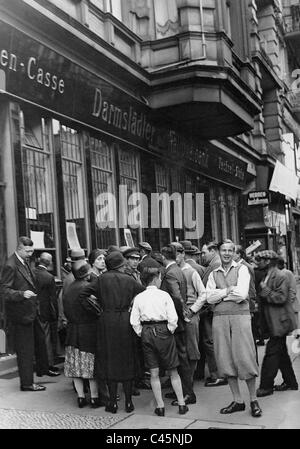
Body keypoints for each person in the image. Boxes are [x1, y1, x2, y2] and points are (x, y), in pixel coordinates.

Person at [79, 251, 144, 414]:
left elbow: (83, 294)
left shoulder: (101, 279)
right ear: (121, 264)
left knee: (109, 360)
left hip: (106, 322)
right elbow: (143, 293)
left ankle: (113, 403)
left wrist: (97, 310)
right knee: (127, 359)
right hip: (125, 321)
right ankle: (129, 403)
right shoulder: (129, 280)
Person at [206, 239, 262, 418]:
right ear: (218, 252)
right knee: (225, 359)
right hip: (220, 319)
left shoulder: (242, 269)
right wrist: (227, 292)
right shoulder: (214, 272)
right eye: (224, 250)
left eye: (231, 250)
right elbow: (208, 298)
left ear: (234, 252)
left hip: (240, 317)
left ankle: (253, 400)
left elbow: (242, 294)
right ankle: (238, 400)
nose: (227, 253)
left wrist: (220, 295)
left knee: (245, 357)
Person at [130, 258, 188, 416]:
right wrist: (169, 330)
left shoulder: (139, 297)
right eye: (160, 278)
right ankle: (182, 404)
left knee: (154, 372)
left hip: (147, 331)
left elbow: (134, 321)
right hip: (163, 330)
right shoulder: (164, 295)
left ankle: (160, 406)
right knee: (173, 370)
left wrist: (142, 332)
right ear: (155, 279)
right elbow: (173, 318)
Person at [0, 237, 47, 391]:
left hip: (30, 312)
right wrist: (22, 294)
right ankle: (27, 383)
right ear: (19, 249)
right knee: (25, 350)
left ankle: (33, 377)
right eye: (27, 251)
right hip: (21, 315)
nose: (30, 254)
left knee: (34, 346)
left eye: (32, 251)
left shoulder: (22, 261)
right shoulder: (10, 265)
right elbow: (4, 291)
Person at [256, 251, 298, 397]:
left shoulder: (280, 276)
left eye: (260, 259)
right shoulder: (267, 275)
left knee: (271, 354)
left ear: (268, 261)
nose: (258, 262)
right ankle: (291, 382)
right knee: (281, 354)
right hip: (274, 322)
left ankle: (266, 386)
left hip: (280, 322)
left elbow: (281, 297)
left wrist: (265, 291)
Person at [63, 260, 102, 408]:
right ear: (87, 274)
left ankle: (80, 397)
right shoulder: (87, 288)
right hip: (88, 330)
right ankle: (94, 397)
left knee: (75, 367)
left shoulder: (68, 289)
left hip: (72, 331)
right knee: (89, 366)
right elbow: (95, 309)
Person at [160, 244, 196, 406]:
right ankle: (182, 390)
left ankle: (188, 393)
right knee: (181, 356)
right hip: (179, 319)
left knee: (181, 358)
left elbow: (176, 296)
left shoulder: (170, 273)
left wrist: (183, 314)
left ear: (163, 257)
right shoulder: (178, 270)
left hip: (176, 320)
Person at [177, 241, 207, 387]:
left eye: (178, 253)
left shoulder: (191, 271)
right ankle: (184, 383)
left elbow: (203, 294)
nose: (175, 256)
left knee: (192, 348)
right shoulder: (171, 270)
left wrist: (193, 310)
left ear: (183, 254)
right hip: (177, 314)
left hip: (190, 313)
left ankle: (189, 384)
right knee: (181, 350)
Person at [198, 242, 227, 387]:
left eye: (204, 252)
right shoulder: (215, 264)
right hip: (213, 309)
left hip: (212, 310)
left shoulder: (215, 266)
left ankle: (219, 375)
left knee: (210, 342)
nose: (202, 255)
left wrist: (208, 306)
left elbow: (216, 290)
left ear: (213, 251)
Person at [34, 252, 60, 375]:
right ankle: (48, 365)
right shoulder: (49, 277)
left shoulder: (32, 273)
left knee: (38, 340)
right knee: (46, 340)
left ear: (39, 260)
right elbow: (52, 299)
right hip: (45, 312)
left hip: (33, 310)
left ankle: (40, 365)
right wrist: (56, 315)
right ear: (49, 262)